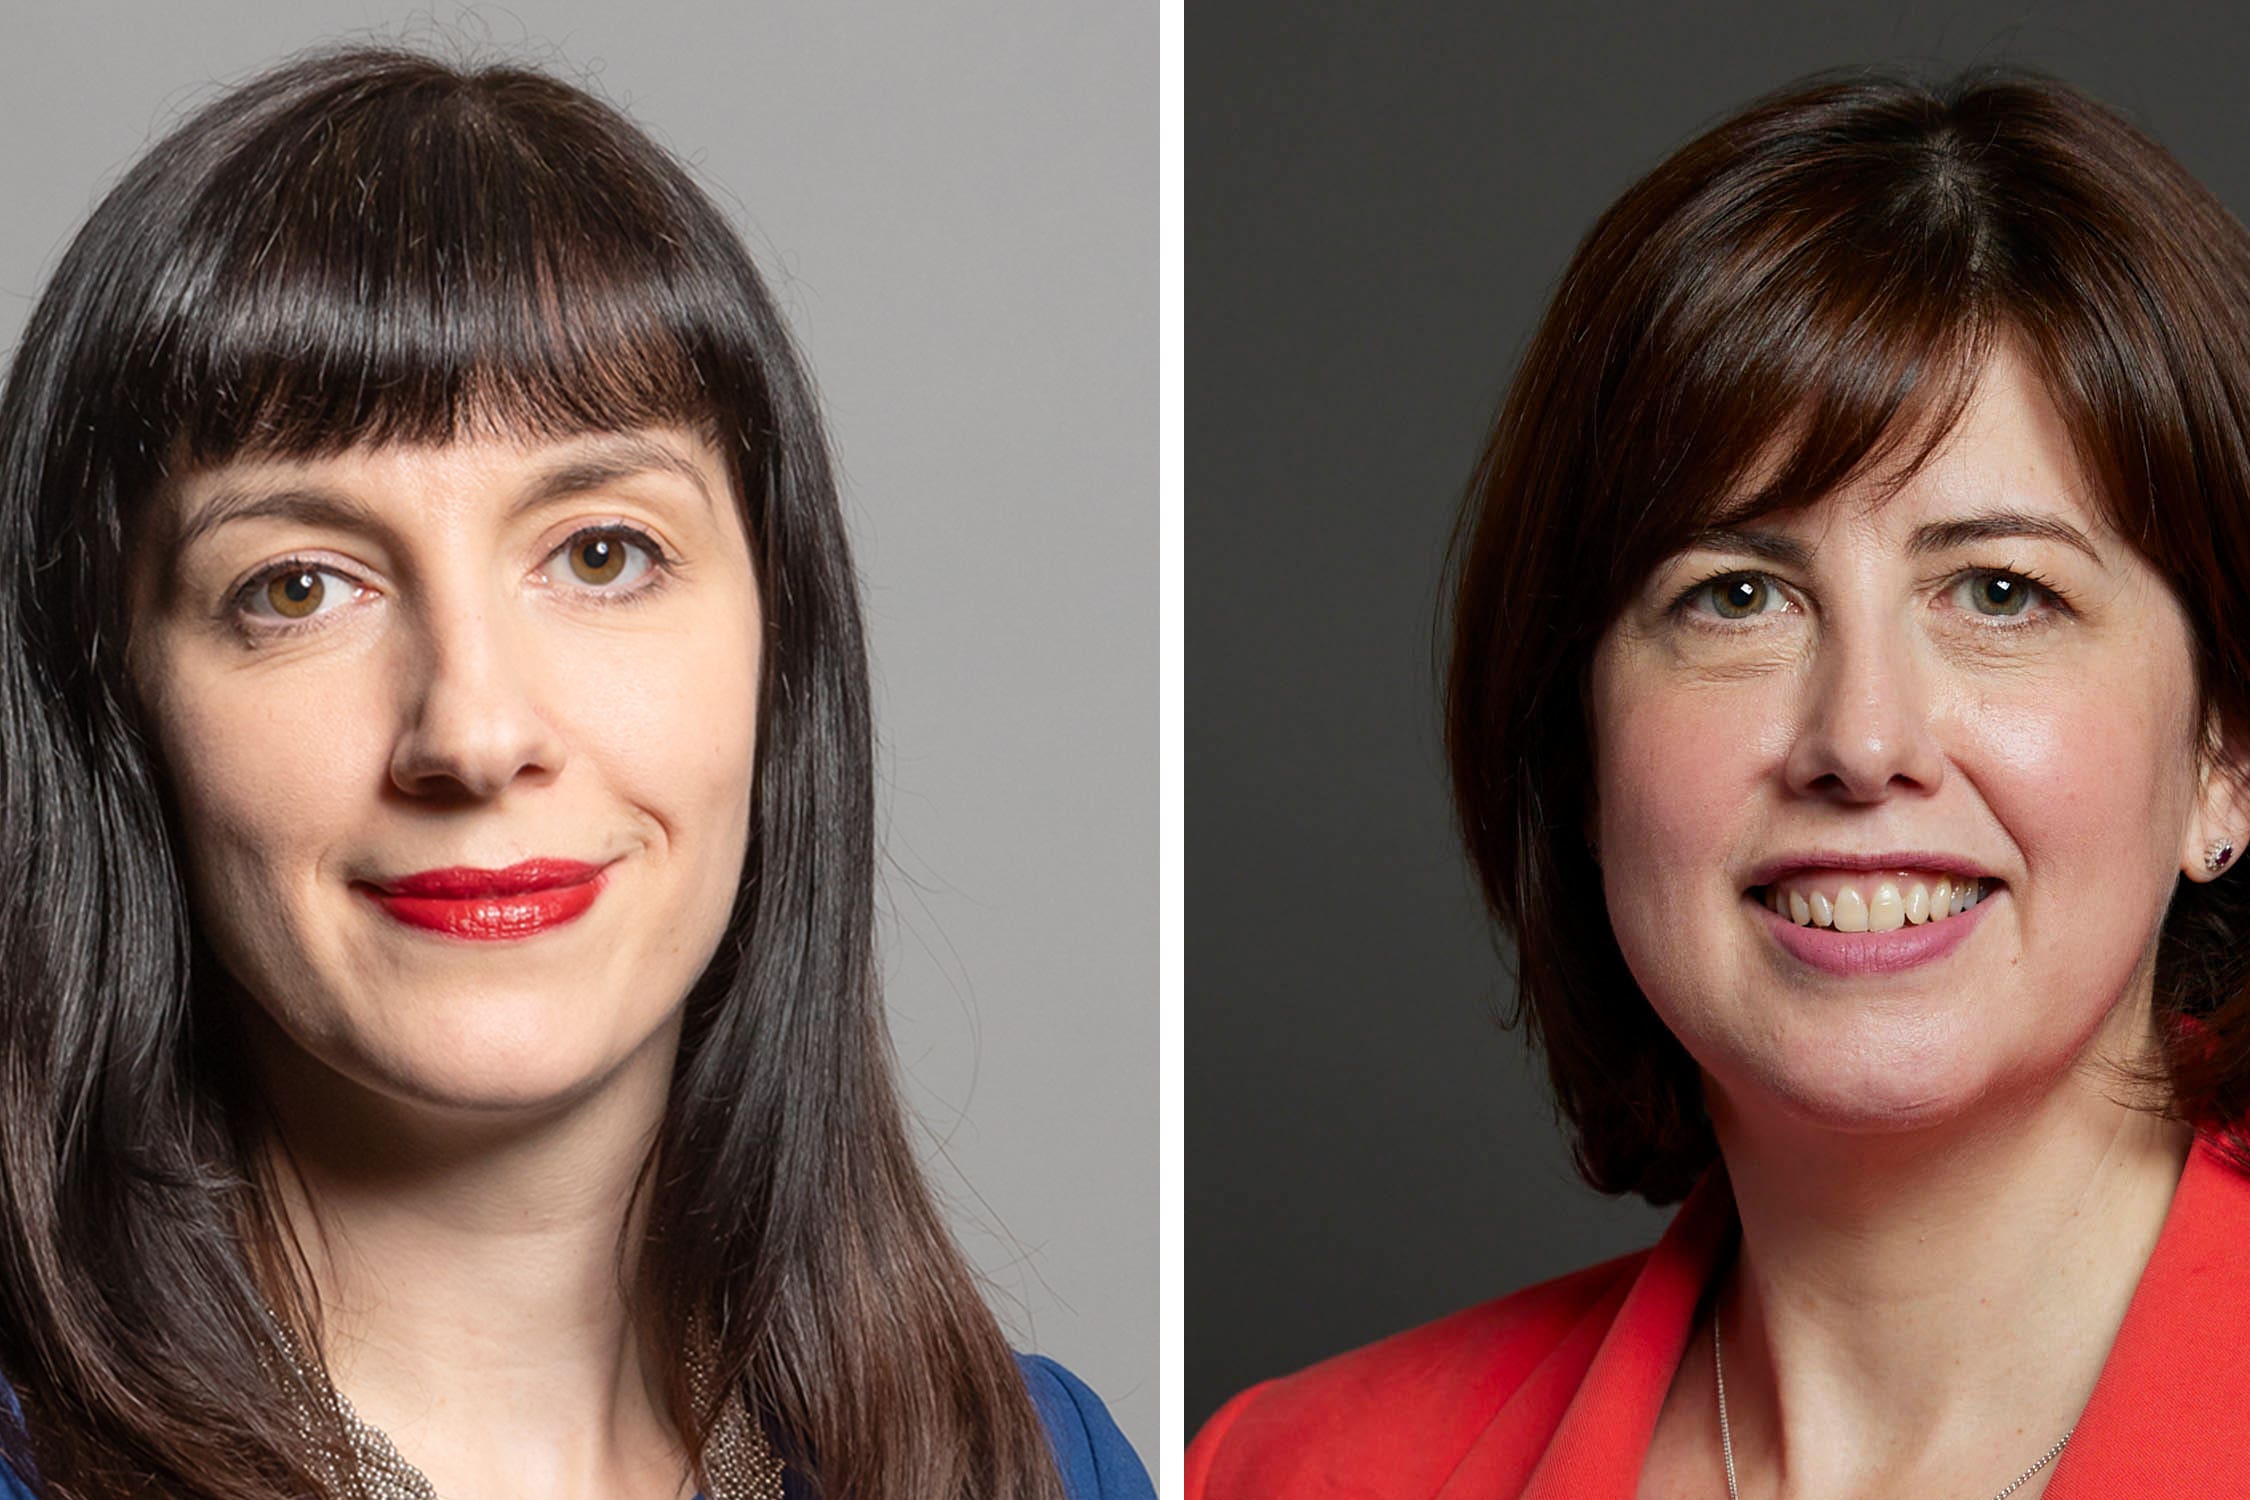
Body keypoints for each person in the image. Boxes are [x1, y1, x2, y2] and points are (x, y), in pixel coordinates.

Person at [0, 44, 1152, 1500]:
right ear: (114, 708)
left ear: (779, 651)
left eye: (601, 554)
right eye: (298, 586)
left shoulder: (1055, 1464)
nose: (475, 735)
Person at [1188, 64, 2250, 1499]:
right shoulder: (1285, 1474)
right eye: (1737, 596)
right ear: (1578, 747)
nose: (1861, 740)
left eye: (1998, 591)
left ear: (2221, 760)